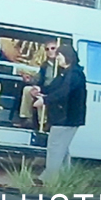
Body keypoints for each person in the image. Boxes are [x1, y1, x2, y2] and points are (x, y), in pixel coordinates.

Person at [28, 42, 88, 177]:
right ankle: (65, 177)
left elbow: (63, 92)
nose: (57, 58)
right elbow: (54, 87)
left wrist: (44, 100)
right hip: (66, 118)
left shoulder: (74, 75)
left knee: (55, 148)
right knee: (63, 149)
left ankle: (47, 179)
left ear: (67, 56)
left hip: (66, 119)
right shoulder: (67, 73)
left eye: (59, 55)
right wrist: (40, 89)